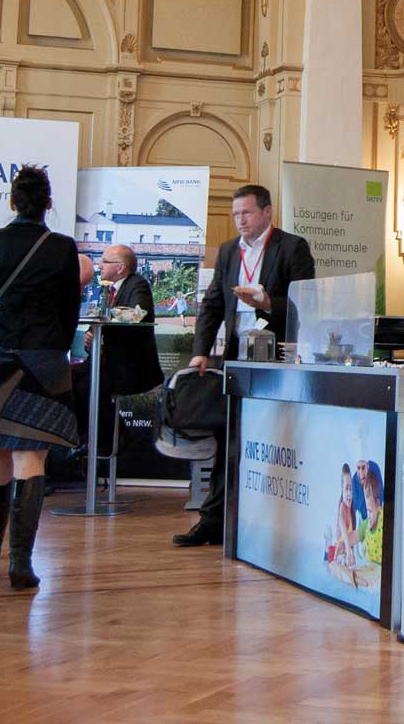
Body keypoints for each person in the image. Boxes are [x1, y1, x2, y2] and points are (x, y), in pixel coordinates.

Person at [0, 167, 80, 592]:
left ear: (12, 202)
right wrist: (54, 349)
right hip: (44, 360)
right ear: (49, 203)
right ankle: (21, 564)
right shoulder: (63, 248)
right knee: (32, 459)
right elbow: (71, 311)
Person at [175, 184, 315, 546]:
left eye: (247, 213)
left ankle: (267, 521)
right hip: (237, 357)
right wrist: (200, 351)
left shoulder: (291, 247)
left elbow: (306, 304)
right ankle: (213, 520)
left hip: (280, 357)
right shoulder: (228, 252)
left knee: (271, 440)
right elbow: (211, 305)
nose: (240, 221)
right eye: (236, 214)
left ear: (267, 212)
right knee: (228, 438)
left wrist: (268, 303)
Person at [75, 245, 163, 469]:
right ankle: (87, 437)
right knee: (67, 381)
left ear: (121, 268)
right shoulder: (109, 290)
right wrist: (91, 337)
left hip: (130, 367)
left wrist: (103, 323)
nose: (99, 265)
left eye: (104, 261)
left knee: (87, 386)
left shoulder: (137, 285)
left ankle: (111, 438)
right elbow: (104, 328)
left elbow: (137, 314)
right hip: (104, 362)